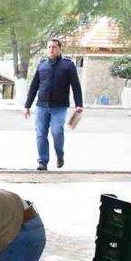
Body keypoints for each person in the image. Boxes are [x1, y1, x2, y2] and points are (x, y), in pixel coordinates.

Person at [24, 38, 83, 171]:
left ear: (59, 49)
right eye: (49, 47)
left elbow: (76, 86)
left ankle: (60, 154)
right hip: (42, 106)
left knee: (56, 131)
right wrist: (27, 106)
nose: (51, 49)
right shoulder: (42, 65)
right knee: (40, 134)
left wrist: (79, 104)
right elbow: (34, 86)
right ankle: (42, 162)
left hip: (59, 107)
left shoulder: (68, 65)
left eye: (54, 47)